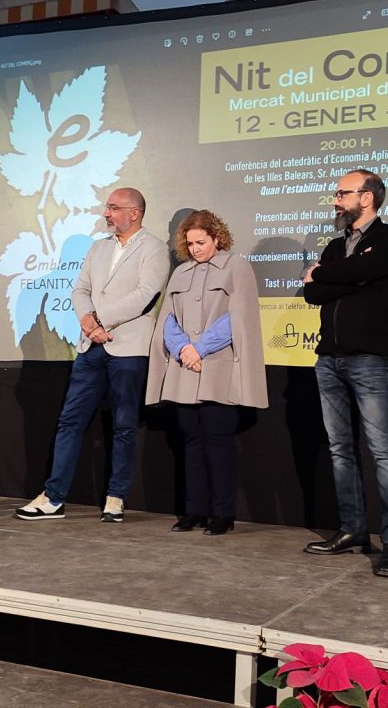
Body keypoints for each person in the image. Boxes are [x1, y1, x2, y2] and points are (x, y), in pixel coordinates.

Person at [16, 187, 169, 523]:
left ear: (134, 213)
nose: (106, 213)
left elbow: (146, 294)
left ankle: (116, 497)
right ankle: (53, 497)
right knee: (70, 421)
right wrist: (87, 320)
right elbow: (80, 288)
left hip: (128, 348)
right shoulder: (99, 247)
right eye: (107, 207)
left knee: (124, 425)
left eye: (113, 207)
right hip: (90, 347)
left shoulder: (154, 248)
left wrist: (100, 320)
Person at [302, 169, 388, 577]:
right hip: (329, 358)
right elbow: (313, 293)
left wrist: (324, 273)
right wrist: (352, 275)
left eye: (342, 193)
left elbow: (342, 275)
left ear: (367, 198)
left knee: (384, 451)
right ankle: (352, 529)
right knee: (340, 449)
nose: (335, 200)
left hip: (369, 358)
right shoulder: (335, 246)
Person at [145, 210, 267, 535]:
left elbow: (238, 317)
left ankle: (222, 513)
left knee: (218, 442)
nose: (195, 249)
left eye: (201, 242)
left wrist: (199, 349)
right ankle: (193, 510)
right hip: (185, 369)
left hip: (218, 366)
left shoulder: (236, 267)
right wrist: (184, 349)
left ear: (216, 238)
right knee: (191, 441)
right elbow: (167, 319)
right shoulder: (181, 272)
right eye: (190, 244)